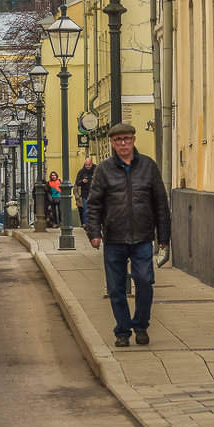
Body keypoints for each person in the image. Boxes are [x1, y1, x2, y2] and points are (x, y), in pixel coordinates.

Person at [84, 123, 170, 348]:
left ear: (133, 140)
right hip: (114, 238)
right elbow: (94, 205)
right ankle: (122, 331)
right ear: (112, 143)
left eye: (127, 139)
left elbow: (160, 204)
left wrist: (163, 239)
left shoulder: (148, 166)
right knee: (116, 289)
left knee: (143, 281)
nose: (123, 143)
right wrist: (94, 232)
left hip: (142, 237)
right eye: (118, 140)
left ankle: (141, 326)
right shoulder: (104, 170)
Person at [75, 156, 96, 227]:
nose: (88, 166)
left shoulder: (97, 170)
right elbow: (77, 182)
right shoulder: (81, 172)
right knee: (85, 209)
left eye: (89, 164)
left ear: (92, 164)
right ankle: (86, 224)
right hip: (85, 194)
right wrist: (82, 181)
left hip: (95, 193)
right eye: (86, 165)